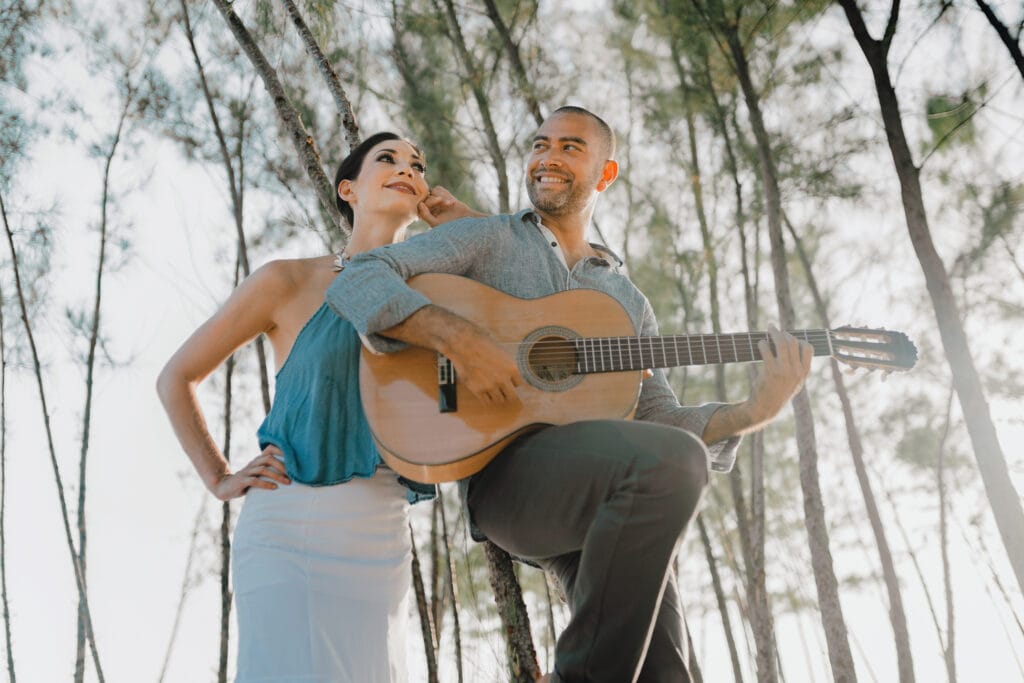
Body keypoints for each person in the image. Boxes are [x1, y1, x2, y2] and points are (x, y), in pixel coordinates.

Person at [327, 106, 812, 683]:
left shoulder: (628, 302)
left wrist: (753, 412)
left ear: (605, 175)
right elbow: (358, 277)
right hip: (509, 479)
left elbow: (660, 421)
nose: (548, 157)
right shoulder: (488, 238)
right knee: (671, 464)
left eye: (570, 147)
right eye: (540, 144)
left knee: (668, 675)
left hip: (612, 501)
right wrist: (456, 337)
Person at [156, 132, 438, 682]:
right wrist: (219, 476)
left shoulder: (437, 295)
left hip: (381, 525)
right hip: (287, 520)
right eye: (389, 159)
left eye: (418, 165)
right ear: (348, 188)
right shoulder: (286, 281)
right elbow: (176, 377)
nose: (407, 168)